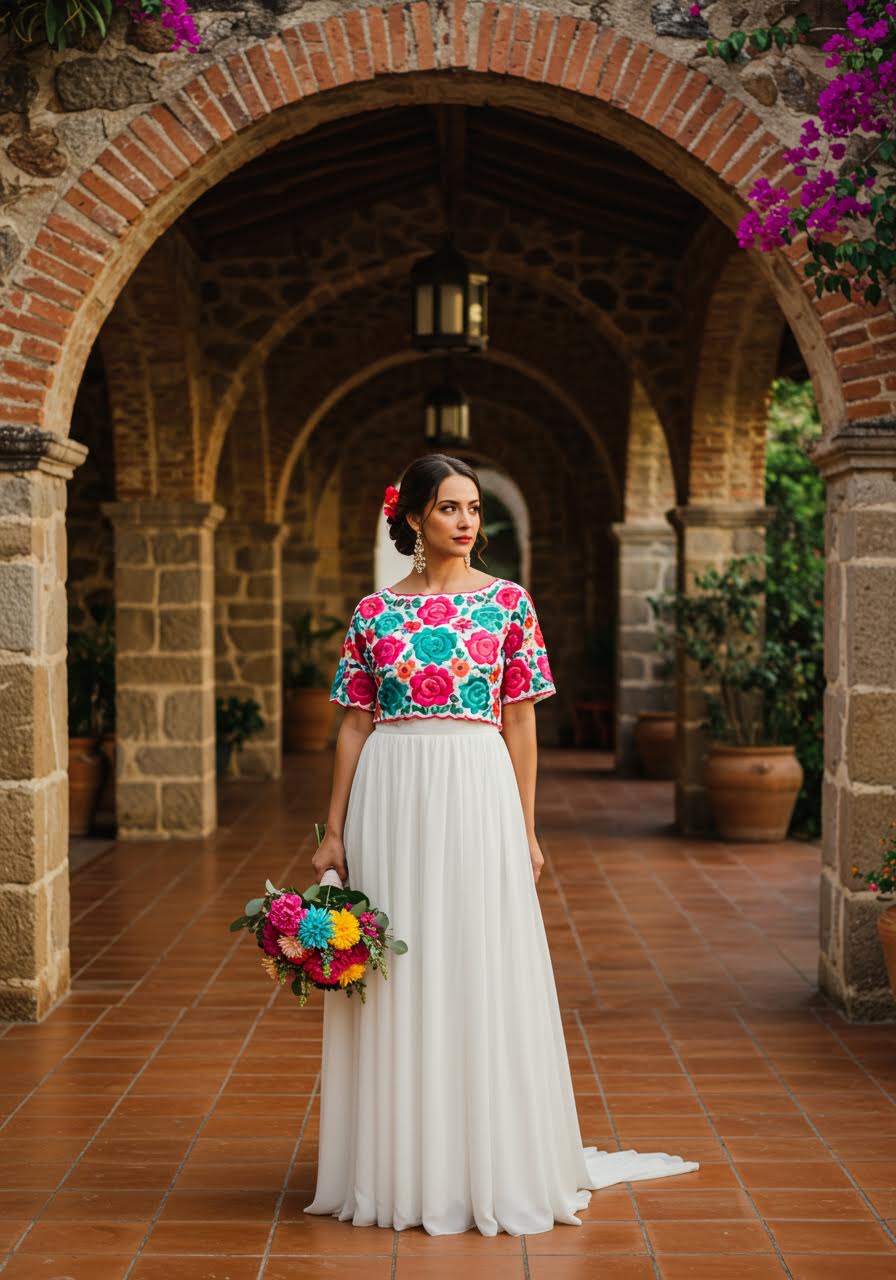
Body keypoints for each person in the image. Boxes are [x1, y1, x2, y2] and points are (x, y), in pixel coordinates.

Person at [304, 453, 698, 1236]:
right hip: (392, 791)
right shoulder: (373, 613)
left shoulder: (509, 605)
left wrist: (524, 826)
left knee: (476, 960)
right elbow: (352, 725)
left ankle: (484, 1155)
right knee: (398, 969)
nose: (466, 521)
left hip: (477, 789)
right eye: (450, 508)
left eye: (475, 508)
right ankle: (399, 1162)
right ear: (415, 518)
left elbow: (521, 723)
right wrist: (333, 832)